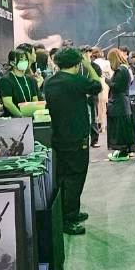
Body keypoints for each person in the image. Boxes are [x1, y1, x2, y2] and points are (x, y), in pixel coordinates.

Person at [43, 47, 103, 235]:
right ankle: (68, 218)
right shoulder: (77, 81)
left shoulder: (49, 82)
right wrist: (89, 66)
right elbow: (97, 85)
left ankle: (69, 213)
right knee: (76, 177)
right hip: (77, 137)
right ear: (77, 64)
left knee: (63, 177)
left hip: (59, 136)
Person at [105, 48, 135, 161]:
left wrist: (107, 81)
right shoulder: (125, 69)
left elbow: (117, 86)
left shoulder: (120, 70)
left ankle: (122, 152)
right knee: (124, 129)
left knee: (119, 130)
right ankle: (126, 150)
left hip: (119, 104)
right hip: (123, 103)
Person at [0, 48, 41, 117]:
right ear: (12, 63)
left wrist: (34, 115)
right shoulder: (6, 80)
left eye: (25, 59)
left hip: (30, 116)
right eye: (21, 60)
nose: (24, 62)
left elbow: (35, 99)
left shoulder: (30, 79)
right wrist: (21, 116)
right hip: (13, 118)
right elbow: (8, 103)